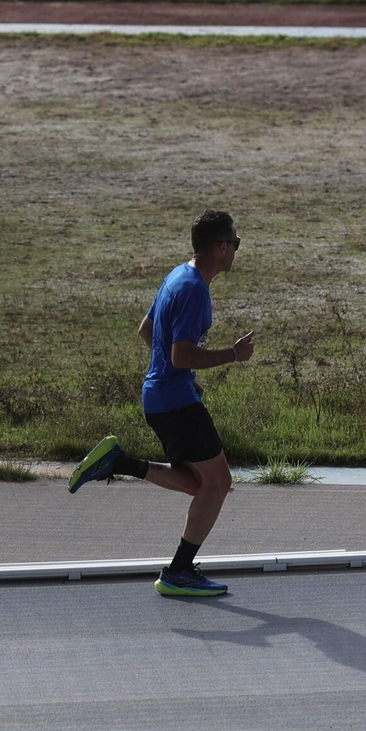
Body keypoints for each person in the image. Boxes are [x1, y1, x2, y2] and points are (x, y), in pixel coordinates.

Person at [69, 210, 255, 597]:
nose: (237, 250)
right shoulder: (194, 292)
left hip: (161, 398)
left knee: (203, 485)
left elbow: (146, 329)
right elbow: (181, 355)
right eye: (236, 243)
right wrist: (232, 355)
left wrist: (180, 375)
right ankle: (178, 571)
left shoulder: (178, 275)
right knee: (218, 483)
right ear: (222, 247)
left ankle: (120, 463)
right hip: (174, 402)